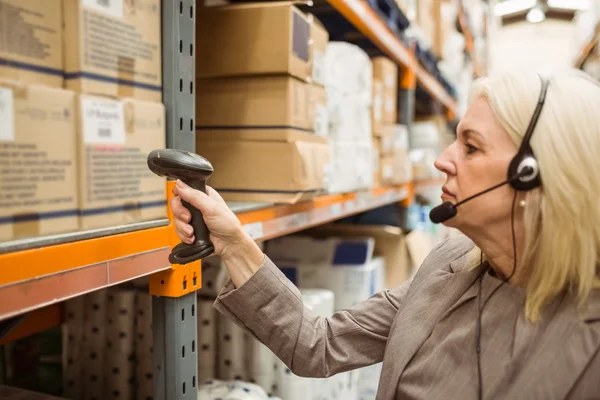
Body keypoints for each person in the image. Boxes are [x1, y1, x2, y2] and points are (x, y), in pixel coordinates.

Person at [171, 69, 600, 399]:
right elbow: (317, 343)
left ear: (532, 177)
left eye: (471, 147)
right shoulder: (445, 270)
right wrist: (233, 241)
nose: (442, 160)